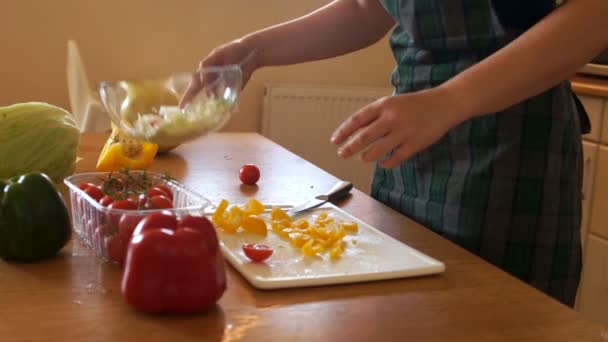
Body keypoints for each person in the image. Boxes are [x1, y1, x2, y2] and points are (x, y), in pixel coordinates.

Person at [181, 0, 608, 306]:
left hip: (510, 154)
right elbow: (368, 9)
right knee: (403, 307)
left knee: (493, 316)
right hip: (408, 148)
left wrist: (450, 100)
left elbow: (595, 14)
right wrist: (252, 49)